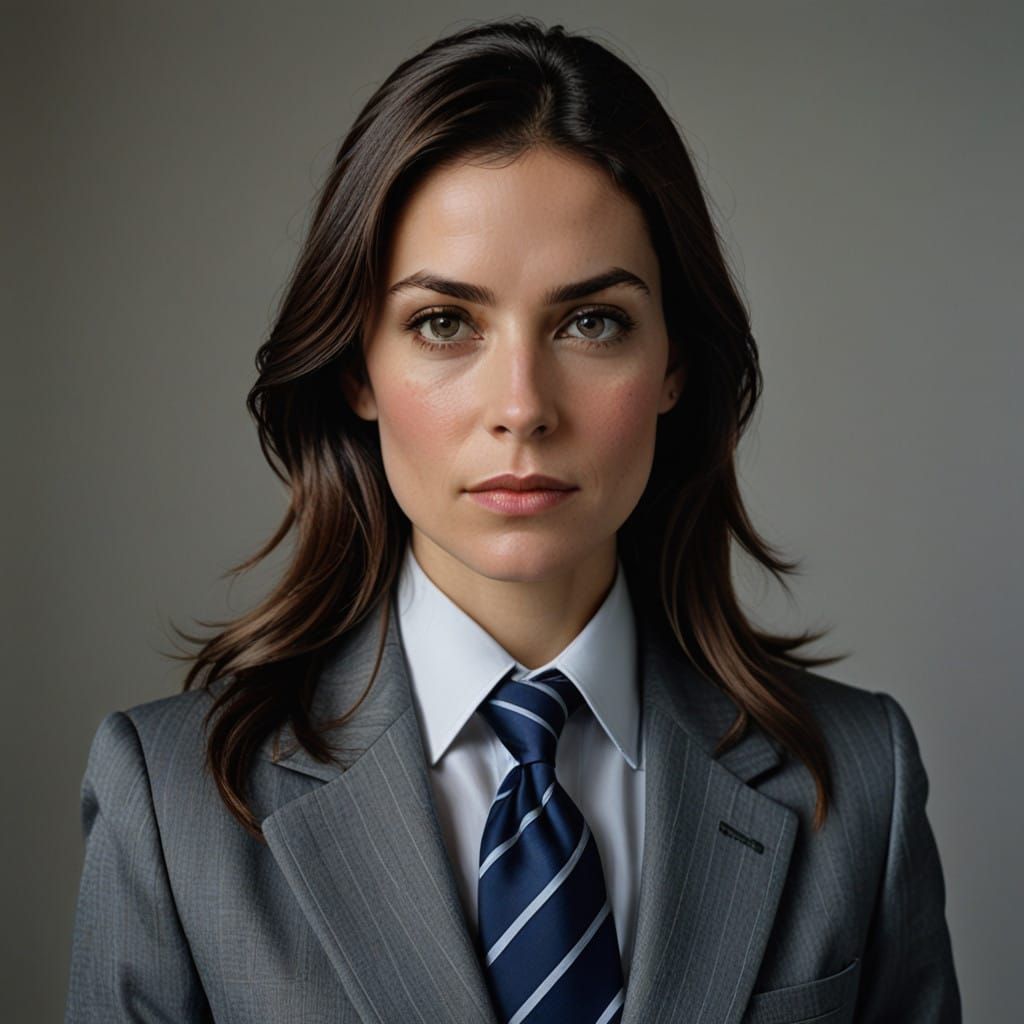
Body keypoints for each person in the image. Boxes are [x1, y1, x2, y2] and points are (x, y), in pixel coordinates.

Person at [64, 16, 961, 1024]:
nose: (523, 403)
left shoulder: (856, 782)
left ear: (672, 364)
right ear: (358, 367)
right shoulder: (174, 803)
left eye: (592, 322)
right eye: (444, 323)